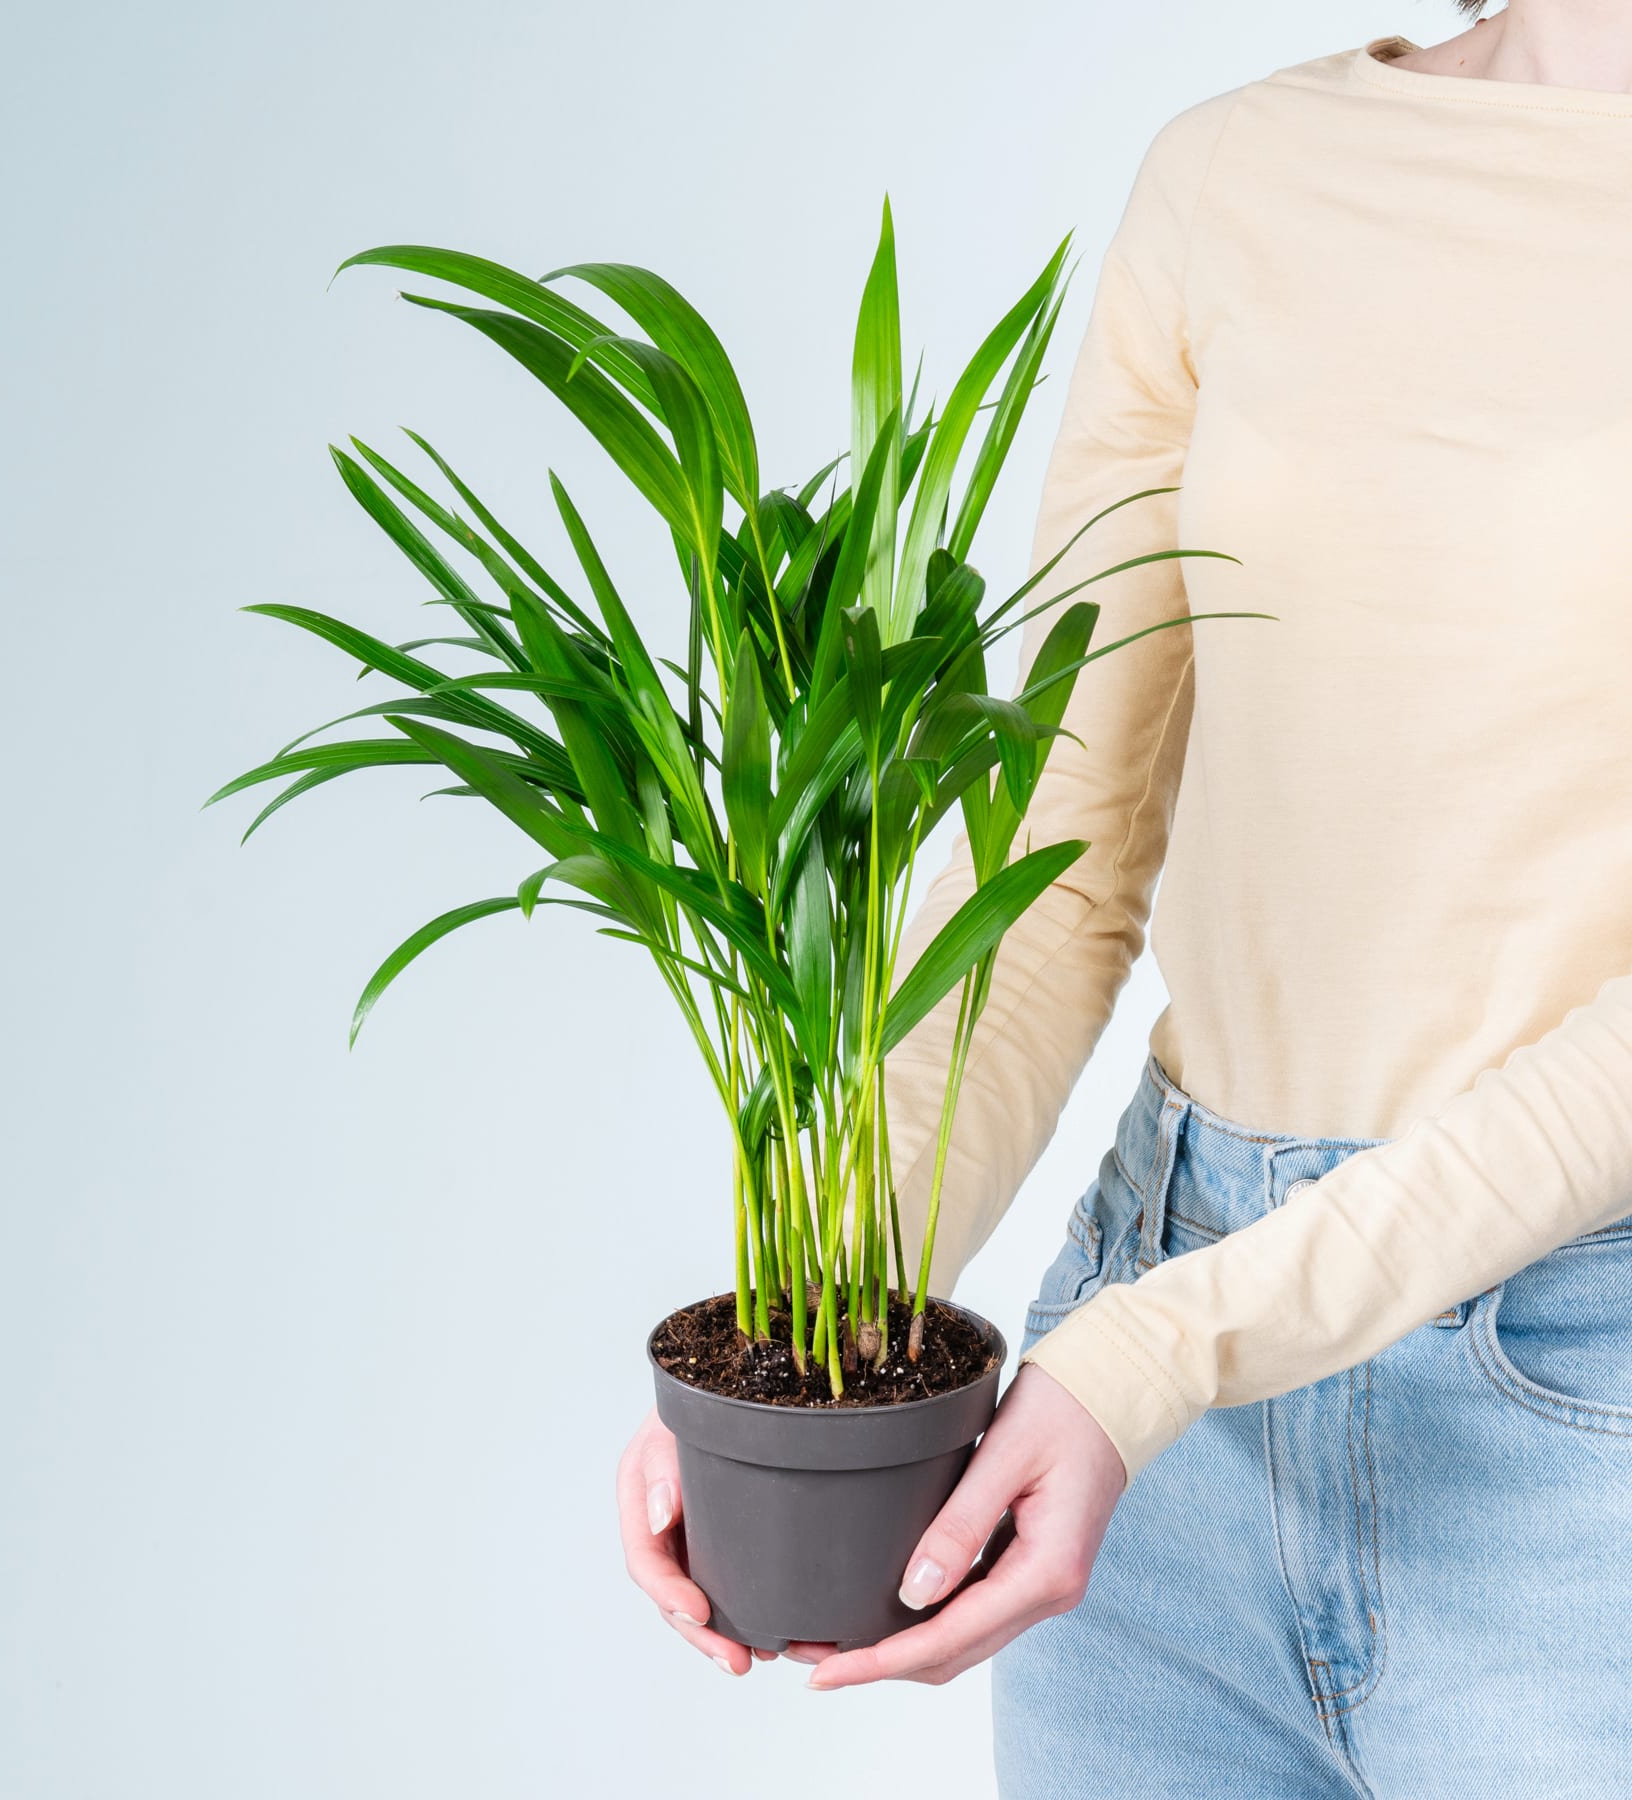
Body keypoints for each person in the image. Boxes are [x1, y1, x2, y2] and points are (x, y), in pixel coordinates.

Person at [618, 4, 1632, 1789]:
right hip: (1159, 1400)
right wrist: (816, 1331)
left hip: (1572, 1426)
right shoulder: (1245, 169)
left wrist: (1155, 1359)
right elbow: (1056, 856)